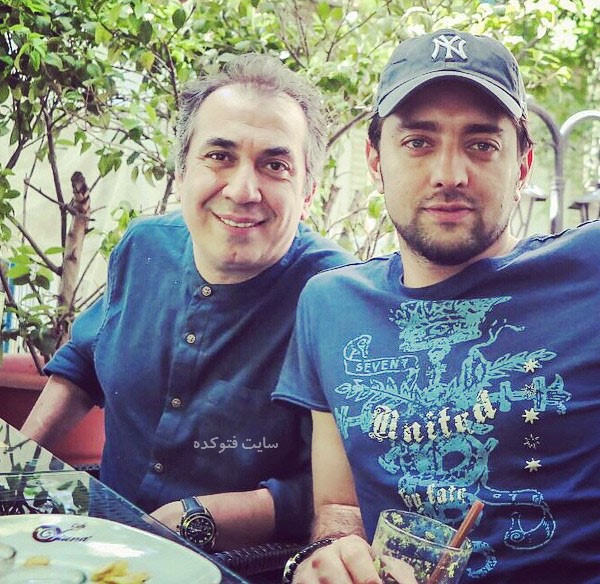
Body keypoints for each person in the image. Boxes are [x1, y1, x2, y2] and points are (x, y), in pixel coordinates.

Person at [274, 28, 600, 583]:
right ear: (375, 160)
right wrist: (331, 554)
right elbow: (340, 506)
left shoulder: (589, 269)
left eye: (482, 144)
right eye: (418, 142)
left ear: (522, 166)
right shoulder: (329, 305)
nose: (450, 174)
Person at [21, 53, 356, 551]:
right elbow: (84, 363)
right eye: (219, 156)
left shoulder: (336, 298)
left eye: (275, 165)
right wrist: (16, 469)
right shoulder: (143, 247)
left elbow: (342, 497)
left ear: (307, 193)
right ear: (180, 175)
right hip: (98, 536)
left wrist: (199, 518)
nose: (242, 190)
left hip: (239, 563)